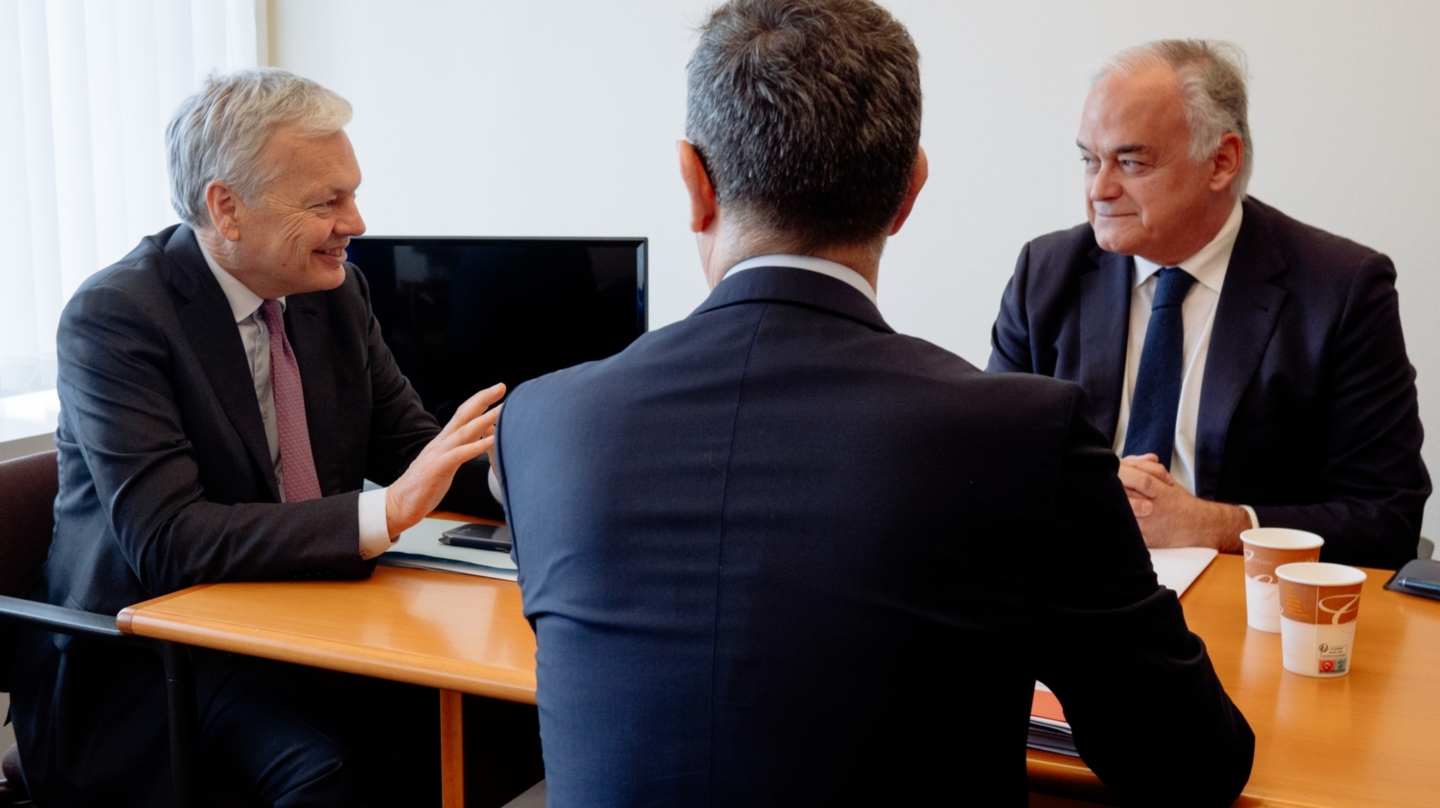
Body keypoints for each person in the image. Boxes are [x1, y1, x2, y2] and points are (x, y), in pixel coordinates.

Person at [491, 2, 1254, 805]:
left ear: (693, 181)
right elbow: (1190, 766)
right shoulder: (1021, 438)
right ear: (909, 189)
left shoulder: (539, 423)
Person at [11, 69, 506, 807]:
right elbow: (167, 540)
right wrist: (383, 514)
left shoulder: (334, 296)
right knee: (336, 773)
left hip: (297, 626)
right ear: (228, 208)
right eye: (327, 201)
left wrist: (545, 481)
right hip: (152, 662)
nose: (358, 222)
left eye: (354, 192)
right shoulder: (117, 317)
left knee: (501, 723)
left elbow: (414, 447)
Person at [988, 40, 1429, 570]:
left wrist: (1214, 525)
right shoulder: (1046, 272)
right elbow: (991, 469)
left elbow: (1387, 519)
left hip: (1245, 603)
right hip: (1075, 592)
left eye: (1130, 161)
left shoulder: (1341, 289)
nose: (1099, 189)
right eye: (1089, 159)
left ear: (1221, 161)